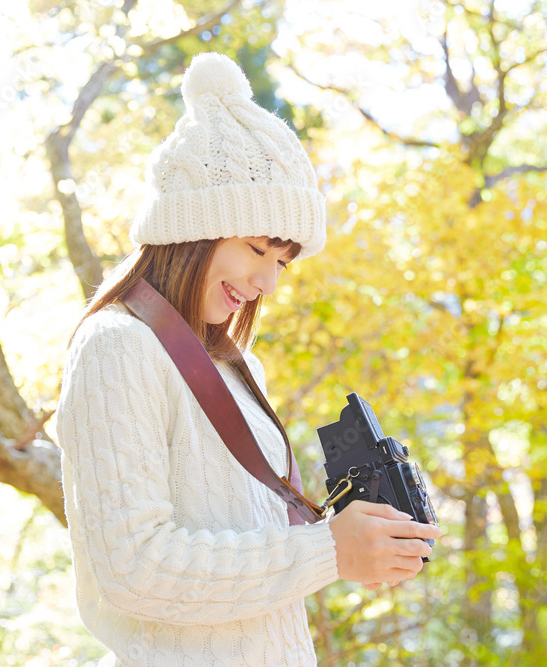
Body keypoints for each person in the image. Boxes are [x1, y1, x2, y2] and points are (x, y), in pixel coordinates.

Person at [54, 52, 441, 666]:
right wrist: (325, 552)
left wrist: (355, 544)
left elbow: (249, 563)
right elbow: (132, 567)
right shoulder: (116, 347)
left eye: (283, 261)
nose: (268, 281)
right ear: (192, 231)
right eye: (256, 248)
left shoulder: (236, 366)